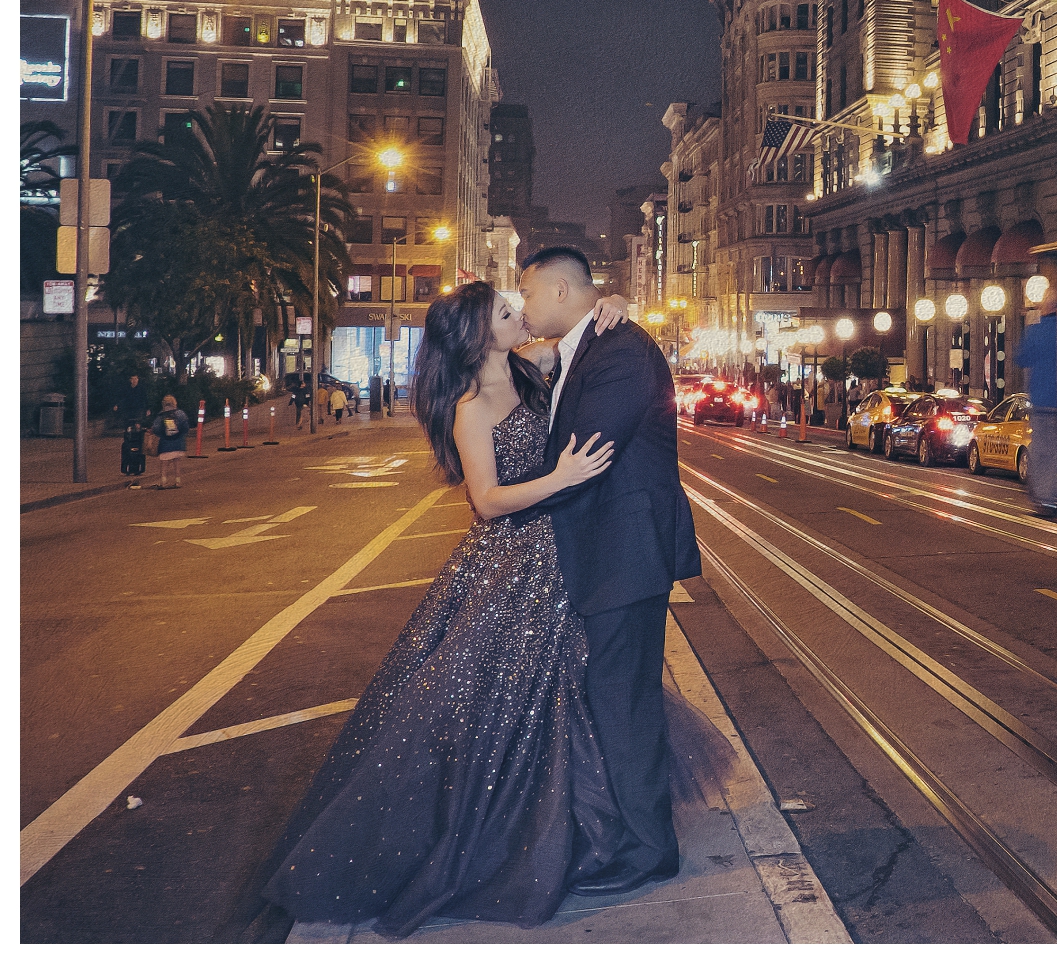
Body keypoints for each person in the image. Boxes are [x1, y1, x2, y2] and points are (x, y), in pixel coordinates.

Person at [263, 283, 632, 936]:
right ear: (476, 333)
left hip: (560, 556)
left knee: (566, 689)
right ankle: (502, 839)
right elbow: (485, 501)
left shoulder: (534, 364)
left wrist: (616, 302)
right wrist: (560, 478)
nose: (520, 314)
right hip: (508, 563)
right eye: (504, 311)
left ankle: (575, 827)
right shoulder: (470, 406)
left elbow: (582, 337)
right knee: (482, 698)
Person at [516, 246, 699, 896]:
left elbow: (586, 452)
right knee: (612, 696)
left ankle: (648, 850)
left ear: (564, 290)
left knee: (622, 700)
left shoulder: (618, 351)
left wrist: (509, 505)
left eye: (530, 294)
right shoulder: (578, 348)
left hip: (625, 549)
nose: (525, 307)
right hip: (606, 550)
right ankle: (626, 834)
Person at [1011, 279, 1057, 517]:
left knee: (1041, 450)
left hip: (1042, 400)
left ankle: (1044, 499)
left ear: (1046, 306)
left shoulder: (1035, 331)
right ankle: (1050, 497)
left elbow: (1020, 358)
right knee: (1056, 452)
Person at [150, 396, 190, 490]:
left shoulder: (161, 416)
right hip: (178, 443)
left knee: (164, 464)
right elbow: (186, 427)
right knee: (177, 462)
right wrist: (180, 435)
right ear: (174, 402)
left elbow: (156, 429)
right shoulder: (180, 414)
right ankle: (178, 481)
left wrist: (163, 435)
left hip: (165, 443)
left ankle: (163, 482)